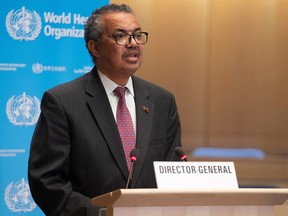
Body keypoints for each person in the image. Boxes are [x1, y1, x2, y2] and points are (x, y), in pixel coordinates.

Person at [28, 3, 182, 216]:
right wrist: (104, 213)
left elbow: (174, 173)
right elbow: (47, 182)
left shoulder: (162, 101)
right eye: (121, 36)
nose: (133, 44)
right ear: (95, 47)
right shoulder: (62, 101)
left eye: (137, 35)